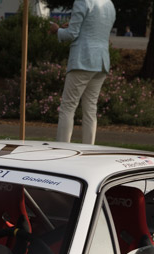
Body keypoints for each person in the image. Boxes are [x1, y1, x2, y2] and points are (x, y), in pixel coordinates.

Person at [50, 0, 116, 145]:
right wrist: (71, 27)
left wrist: (57, 30)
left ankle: (61, 149)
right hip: (102, 61)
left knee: (68, 107)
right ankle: (89, 149)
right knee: (90, 109)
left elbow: (72, 34)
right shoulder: (110, 4)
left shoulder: (82, 1)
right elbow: (94, 28)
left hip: (83, 59)